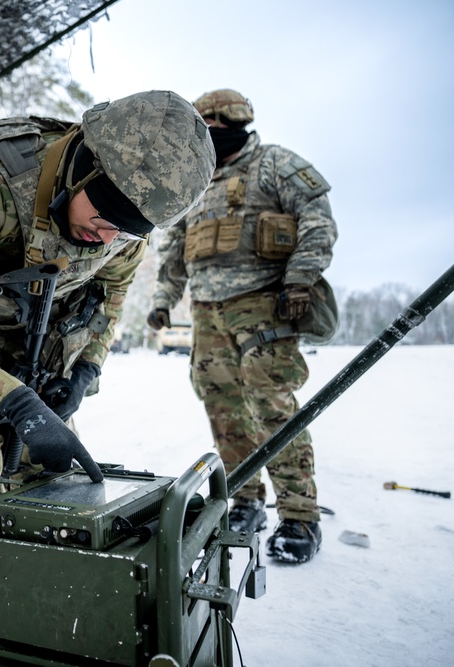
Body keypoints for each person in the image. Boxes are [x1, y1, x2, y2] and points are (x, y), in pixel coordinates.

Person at [0, 90, 215, 494]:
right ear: (85, 169)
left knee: (57, 493)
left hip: (44, 340)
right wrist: (14, 401)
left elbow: (110, 298)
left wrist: (85, 371)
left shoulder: (129, 219)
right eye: (105, 215)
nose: (107, 237)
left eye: (128, 231)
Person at [147, 89, 338, 564]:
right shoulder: (192, 183)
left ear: (234, 124)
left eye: (215, 125)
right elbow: (174, 249)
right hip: (208, 312)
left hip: (265, 303)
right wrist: (162, 301)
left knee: (273, 408)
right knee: (225, 411)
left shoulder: (275, 164)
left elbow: (318, 220)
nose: (209, 133)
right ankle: (246, 502)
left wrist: (299, 279)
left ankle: (298, 516)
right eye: (203, 125)